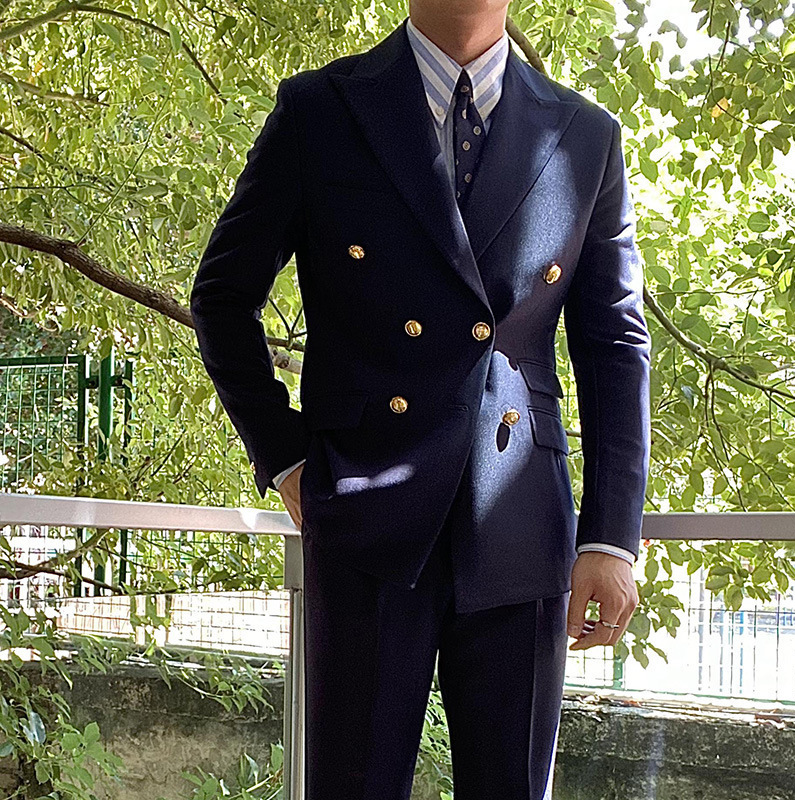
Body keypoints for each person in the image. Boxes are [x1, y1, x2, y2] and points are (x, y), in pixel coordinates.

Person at [190, 1, 651, 797]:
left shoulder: (586, 135)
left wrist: (611, 538)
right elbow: (222, 299)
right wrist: (288, 458)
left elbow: (614, 347)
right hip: (365, 518)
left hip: (521, 525)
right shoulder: (320, 110)